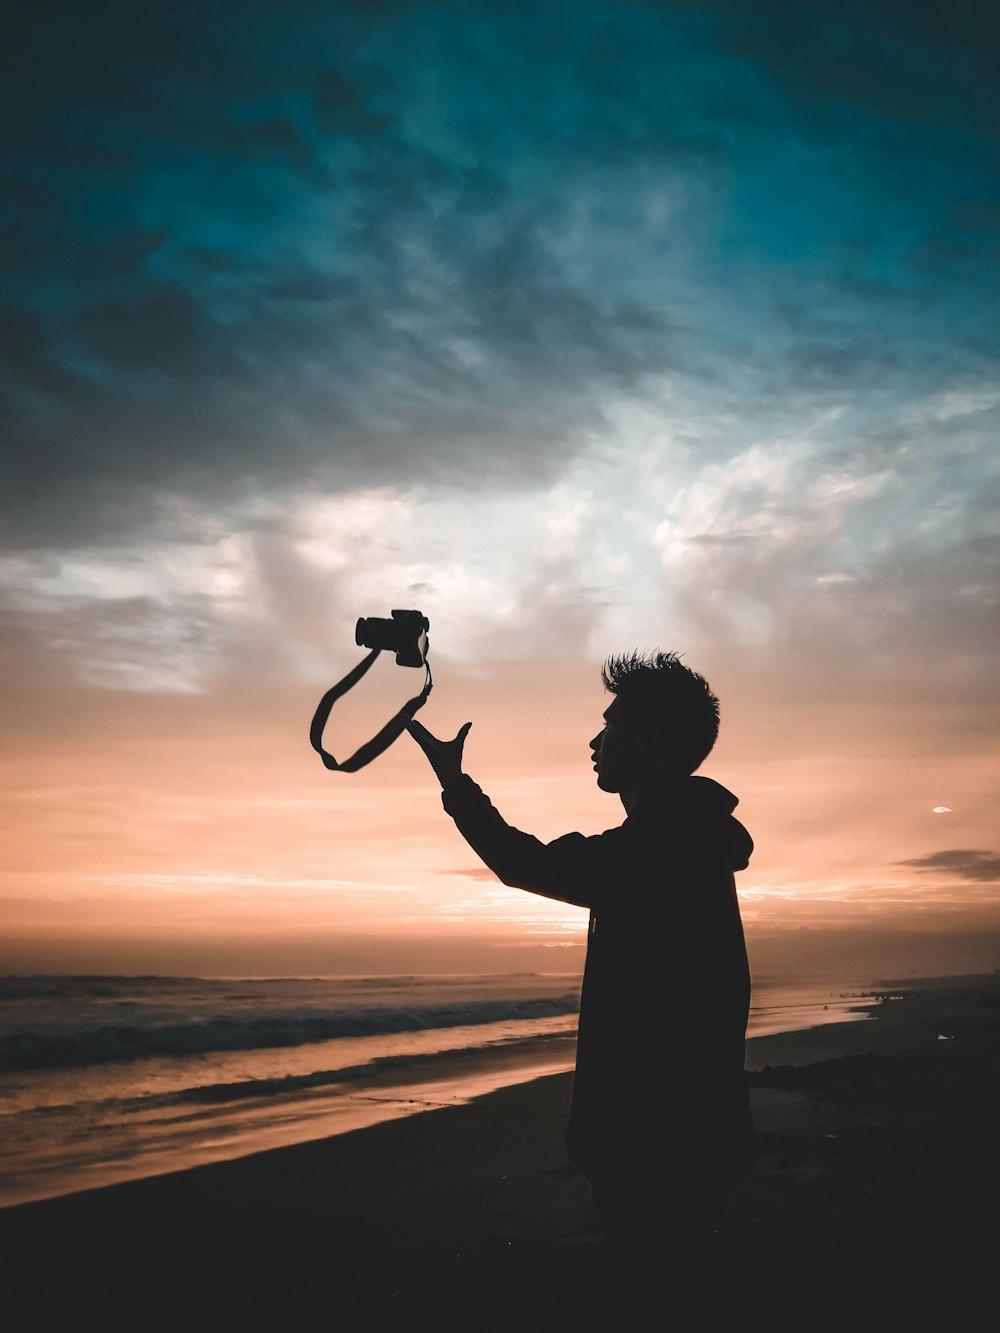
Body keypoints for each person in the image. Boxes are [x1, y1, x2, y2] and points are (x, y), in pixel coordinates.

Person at [405, 649, 755, 1291]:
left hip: (655, 1142)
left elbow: (523, 863)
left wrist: (454, 783)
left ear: (646, 741)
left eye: (611, 725)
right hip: (695, 1133)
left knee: (658, 1285)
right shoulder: (688, 838)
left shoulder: (659, 849)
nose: (596, 741)